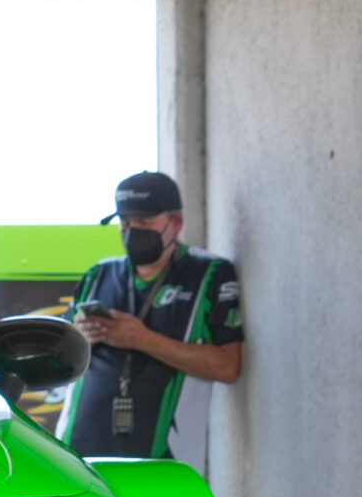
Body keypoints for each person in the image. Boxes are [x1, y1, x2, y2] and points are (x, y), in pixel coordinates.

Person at [62, 171, 242, 458]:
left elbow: (228, 366)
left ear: (176, 222)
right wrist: (77, 339)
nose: (132, 231)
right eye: (124, 222)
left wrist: (142, 339)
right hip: (79, 457)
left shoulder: (209, 273)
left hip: (164, 464)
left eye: (144, 222)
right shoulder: (99, 274)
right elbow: (59, 362)